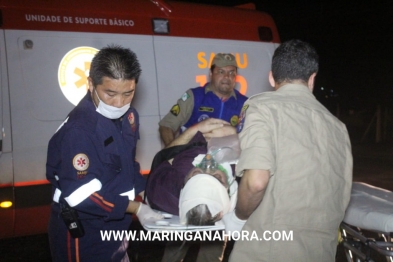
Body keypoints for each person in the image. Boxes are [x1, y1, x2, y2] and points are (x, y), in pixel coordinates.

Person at [223, 39, 353, 262]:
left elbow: (256, 182)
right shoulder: (339, 128)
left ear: (272, 77)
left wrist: (238, 217)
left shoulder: (262, 108)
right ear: (312, 79)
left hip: (269, 250)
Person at [46, 45, 163, 262]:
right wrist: (137, 207)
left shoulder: (129, 117)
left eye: (128, 93)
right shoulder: (80, 130)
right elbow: (82, 195)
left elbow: (128, 164)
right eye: (110, 93)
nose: (119, 103)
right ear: (91, 84)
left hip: (117, 228)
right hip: (85, 233)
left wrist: (151, 197)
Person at [145, 118, 238, 262]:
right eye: (216, 178)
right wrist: (232, 135)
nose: (208, 167)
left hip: (192, 143)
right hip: (222, 214)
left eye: (197, 174)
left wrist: (194, 130)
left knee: (182, 250)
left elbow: (163, 157)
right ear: (228, 189)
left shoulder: (164, 191)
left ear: (184, 184)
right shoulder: (238, 180)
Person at [159, 53, 248, 147]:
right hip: (192, 158)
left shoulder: (245, 103)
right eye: (221, 72)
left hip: (230, 159)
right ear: (211, 74)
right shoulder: (194, 96)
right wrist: (171, 154)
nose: (226, 76)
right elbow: (166, 126)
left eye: (231, 72)